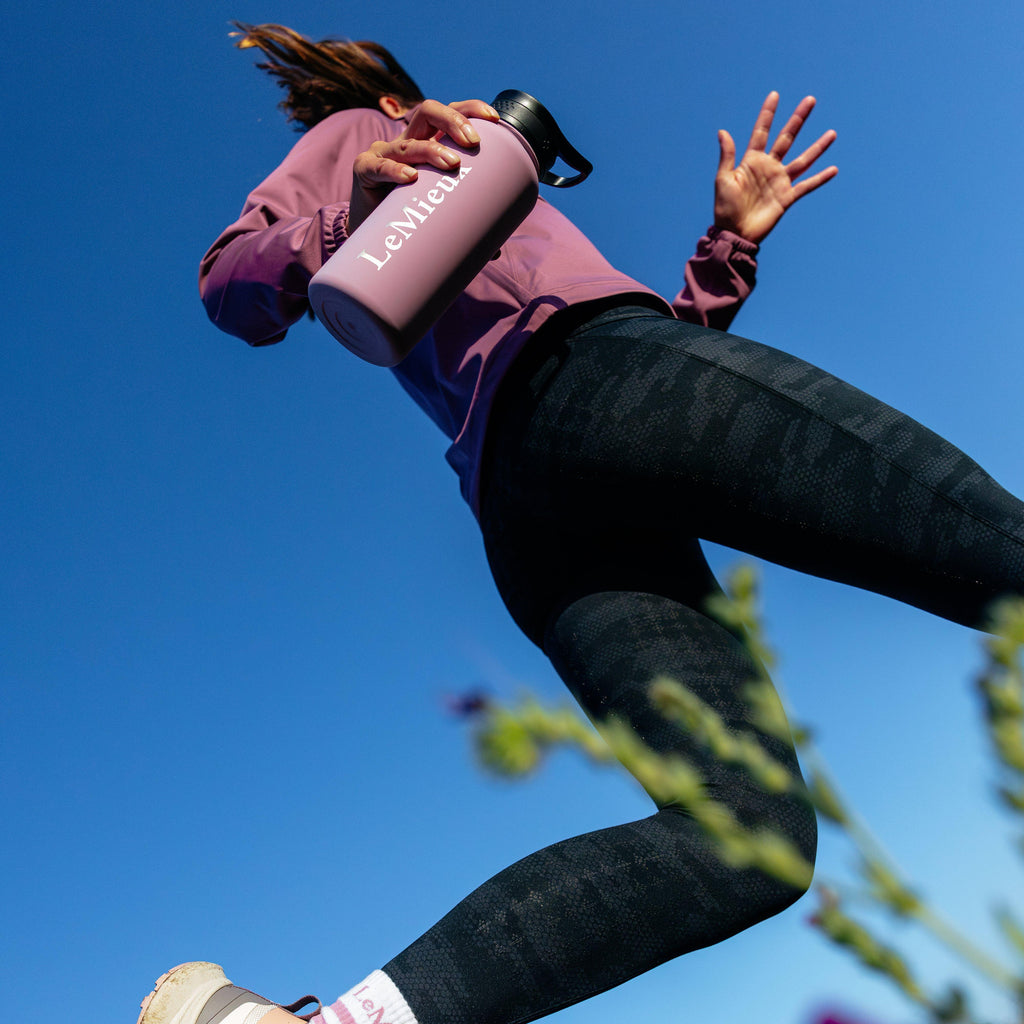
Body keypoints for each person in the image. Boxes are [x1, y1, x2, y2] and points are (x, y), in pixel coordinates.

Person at [139, 21, 1024, 1024]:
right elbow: (229, 285)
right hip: (583, 380)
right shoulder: (363, 133)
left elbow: (668, 418)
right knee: (999, 547)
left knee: (740, 837)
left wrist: (726, 245)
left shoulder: (472, 176)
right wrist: (349, 203)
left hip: (544, 506)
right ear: (397, 103)